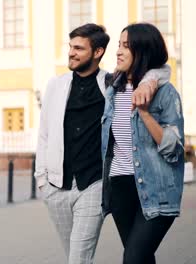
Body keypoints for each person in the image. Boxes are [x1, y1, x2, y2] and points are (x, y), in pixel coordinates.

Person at [34, 23, 169, 264]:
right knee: (74, 256)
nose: (71, 53)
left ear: (97, 52)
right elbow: (44, 134)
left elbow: (158, 70)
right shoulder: (56, 85)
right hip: (56, 187)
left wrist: (150, 82)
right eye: (70, 47)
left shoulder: (111, 83)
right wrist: (42, 180)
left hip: (94, 185)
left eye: (78, 48)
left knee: (78, 259)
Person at [101, 23, 184, 264]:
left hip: (156, 188)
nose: (118, 51)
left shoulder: (165, 93)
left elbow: (174, 150)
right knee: (141, 258)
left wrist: (145, 113)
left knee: (133, 258)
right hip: (119, 187)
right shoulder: (112, 90)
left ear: (143, 52)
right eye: (119, 45)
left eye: (126, 46)